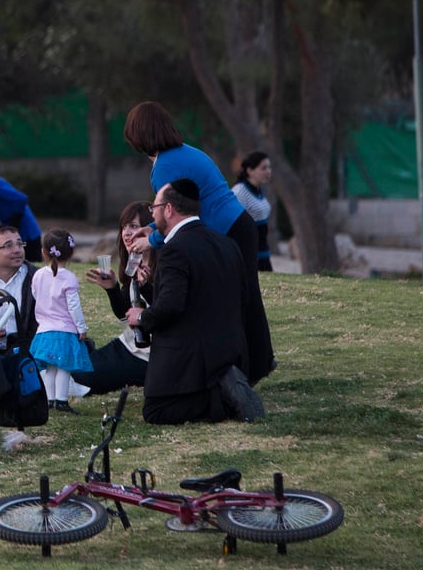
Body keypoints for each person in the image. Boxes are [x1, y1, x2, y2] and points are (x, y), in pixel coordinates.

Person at [123, 101, 274, 385]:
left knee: (239, 299)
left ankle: (250, 367)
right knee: (243, 297)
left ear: (139, 136)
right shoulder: (185, 153)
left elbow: (175, 214)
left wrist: (151, 240)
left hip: (228, 232)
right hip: (238, 227)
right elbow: (177, 210)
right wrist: (151, 228)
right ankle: (255, 364)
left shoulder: (165, 167)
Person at [126, 179, 265, 424]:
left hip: (194, 355)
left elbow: (172, 306)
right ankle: (226, 383)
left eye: (155, 207)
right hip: (231, 349)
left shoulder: (174, 250)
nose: (153, 213)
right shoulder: (227, 244)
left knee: (155, 411)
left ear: (169, 209)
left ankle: (221, 397)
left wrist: (142, 317)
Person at [74, 201, 155, 395]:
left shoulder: (166, 266)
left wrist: (148, 287)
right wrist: (112, 289)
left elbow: (166, 309)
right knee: (77, 368)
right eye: (124, 227)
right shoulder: (134, 266)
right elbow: (126, 316)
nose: (127, 233)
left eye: (134, 227)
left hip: (150, 356)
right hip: (129, 345)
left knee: (82, 379)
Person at [29, 228, 92, 414]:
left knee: (50, 368)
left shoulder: (38, 275)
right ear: (71, 253)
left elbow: (35, 294)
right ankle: (62, 400)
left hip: (44, 330)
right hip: (64, 330)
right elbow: (74, 307)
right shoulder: (69, 278)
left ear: (43, 251)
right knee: (64, 367)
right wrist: (81, 327)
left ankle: (49, 399)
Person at [233, 151, 274, 272]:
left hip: (263, 253)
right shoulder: (239, 192)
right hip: (249, 256)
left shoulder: (258, 190)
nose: (268, 171)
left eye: (269, 167)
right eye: (264, 168)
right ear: (250, 171)